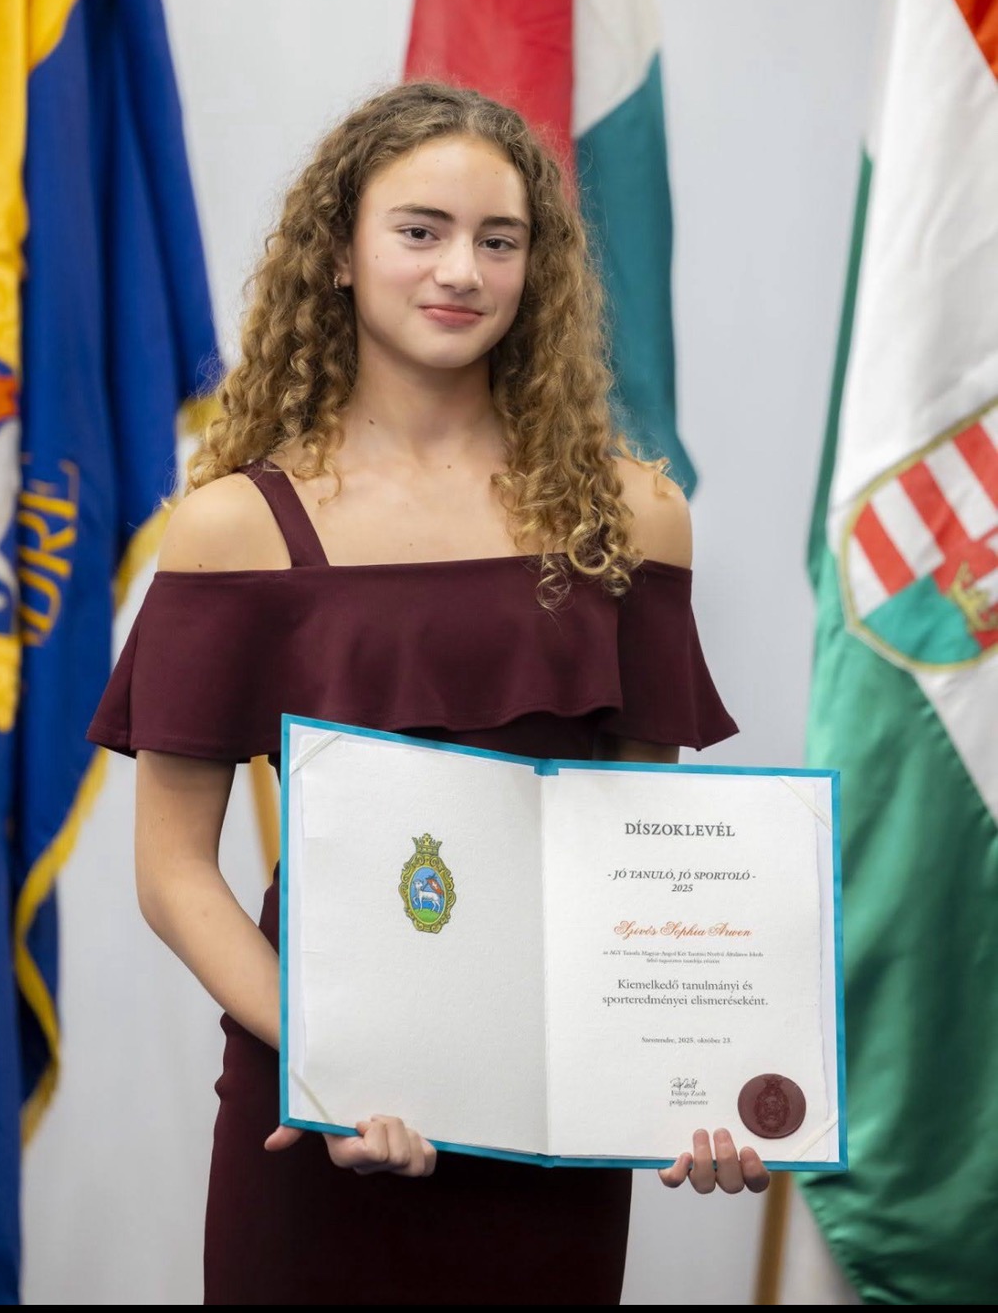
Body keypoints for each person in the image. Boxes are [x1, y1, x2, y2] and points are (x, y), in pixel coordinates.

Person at [87, 81, 769, 1306]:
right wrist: (332, 1057)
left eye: (498, 240)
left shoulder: (633, 517)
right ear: (338, 254)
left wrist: (696, 1072)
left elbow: (638, 851)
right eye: (420, 230)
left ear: (535, 269)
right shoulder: (236, 527)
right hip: (320, 1111)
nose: (461, 269)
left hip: (548, 1124)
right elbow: (173, 872)